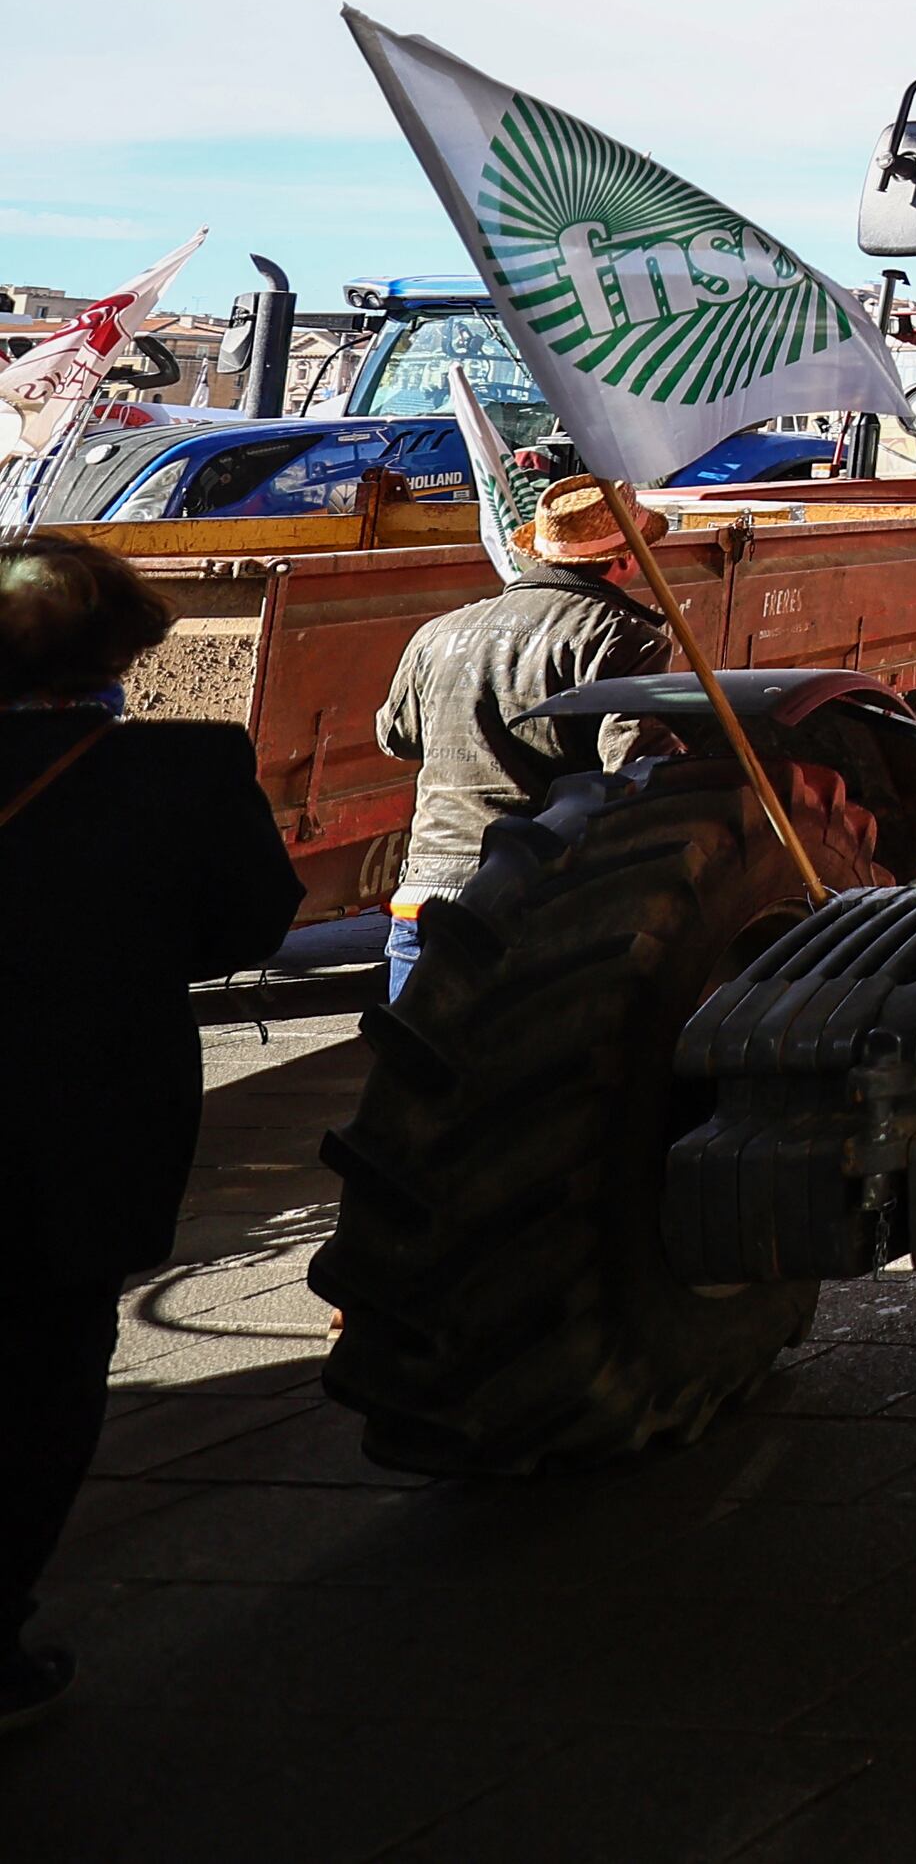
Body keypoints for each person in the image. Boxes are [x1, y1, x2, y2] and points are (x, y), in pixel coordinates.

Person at [0, 535, 305, 1733]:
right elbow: (248, 931)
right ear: (124, 647)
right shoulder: (182, 771)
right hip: (75, 1120)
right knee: (41, 1372)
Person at [369, 475, 670, 1002]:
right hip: (535, 900)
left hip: (426, 893)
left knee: (411, 1072)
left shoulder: (440, 631)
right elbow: (632, 773)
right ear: (624, 560)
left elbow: (397, 738)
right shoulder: (622, 636)